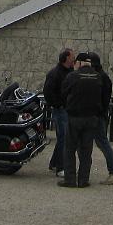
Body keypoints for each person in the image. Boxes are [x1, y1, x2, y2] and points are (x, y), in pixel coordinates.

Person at [58, 52, 103, 188]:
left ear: (79, 63)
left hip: (74, 117)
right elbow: (102, 96)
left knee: (69, 149)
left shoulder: (72, 76)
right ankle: (83, 180)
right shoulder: (97, 77)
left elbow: (63, 93)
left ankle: (70, 179)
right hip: (91, 117)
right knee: (86, 150)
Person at [88, 52, 113, 184]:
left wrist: (97, 111)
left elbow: (102, 99)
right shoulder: (100, 76)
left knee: (102, 143)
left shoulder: (100, 77)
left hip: (97, 115)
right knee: (97, 142)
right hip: (97, 114)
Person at [44, 47, 75, 175]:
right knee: (64, 137)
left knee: (63, 137)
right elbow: (48, 92)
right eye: (72, 56)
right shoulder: (55, 74)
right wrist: (58, 104)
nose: (74, 58)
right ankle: (61, 167)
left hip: (67, 108)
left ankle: (54, 163)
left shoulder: (70, 72)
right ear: (67, 58)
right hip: (61, 109)